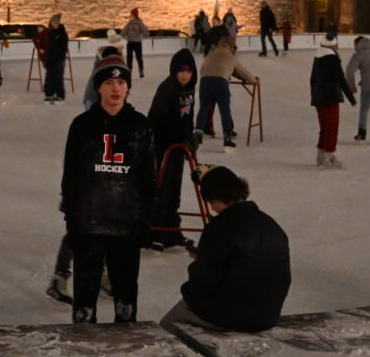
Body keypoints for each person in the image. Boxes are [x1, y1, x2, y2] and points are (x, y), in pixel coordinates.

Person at [58, 55, 156, 324]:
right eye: (109, 82)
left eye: (121, 82)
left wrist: (145, 222)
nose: (116, 88)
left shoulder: (141, 126)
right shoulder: (82, 126)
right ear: (98, 87)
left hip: (126, 227)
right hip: (90, 226)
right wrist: (73, 222)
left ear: (128, 87)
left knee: (125, 303)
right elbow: (71, 178)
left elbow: (148, 179)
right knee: (84, 307)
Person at [163, 167, 291, 332]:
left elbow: (203, 284)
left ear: (214, 197)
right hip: (269, 315)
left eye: (209, 202)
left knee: (167, 324)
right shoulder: (271, 224)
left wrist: (198, 265)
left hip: (234, 317)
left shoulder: (219, 228)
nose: (211, 208)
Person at [144, 47, 200, 251]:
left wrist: (190, 136)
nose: (185, 74)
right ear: (174, 71)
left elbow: (187, 116)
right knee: (162, 188)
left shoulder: (189, 89)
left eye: (188, 70)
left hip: (177, 146)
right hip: (162, 145)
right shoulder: (168, 89)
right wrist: (181, 138)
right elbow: (162, 120)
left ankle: (172, 230)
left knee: (175, 188)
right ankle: (155, 232)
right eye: (181, 70)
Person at [197, 35, 258, 150]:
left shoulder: (211, 54)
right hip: (220, 83)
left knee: (203, 108)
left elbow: (202, 69)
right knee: (224, 110)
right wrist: (253, 80)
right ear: (230, 47)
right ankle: (227, 137)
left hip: (204, 81)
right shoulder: (230, 57)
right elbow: (242, 72)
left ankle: (198, 133)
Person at [309, 32, 357, 168]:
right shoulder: (332, 59)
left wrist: (314, 95)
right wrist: (351, 99)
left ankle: (320, 156)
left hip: (319, 98)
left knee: (324, 127)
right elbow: (341, 80)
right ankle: (328, 157)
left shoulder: (317, 57)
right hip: (330, 98)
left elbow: (312, 79)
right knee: (332, 127)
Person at [42, 13, 71, 103]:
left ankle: (60, 95)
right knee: (49, 77)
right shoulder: (50, 33)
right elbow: (48, 46)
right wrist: (46, 58)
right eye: (52, 22)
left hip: (58, 59)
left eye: (55, 22)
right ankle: (49, 94)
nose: (53, 24)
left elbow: (64, 47)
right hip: (50, 59)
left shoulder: (62, 34)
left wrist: (62, 59)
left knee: (58, 77)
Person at [121, 9, 148, 76]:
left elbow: (144, 30)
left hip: (137, 42)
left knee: (139, 57)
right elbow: (125, 30)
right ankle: (129, 70)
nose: (131, 15)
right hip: (130, 42)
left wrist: (145, 33)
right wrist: (120, 36)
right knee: (129, 57)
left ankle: (141, 70)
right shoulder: (130, 22)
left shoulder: (139, 22)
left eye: (131, 14)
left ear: (134, 14)